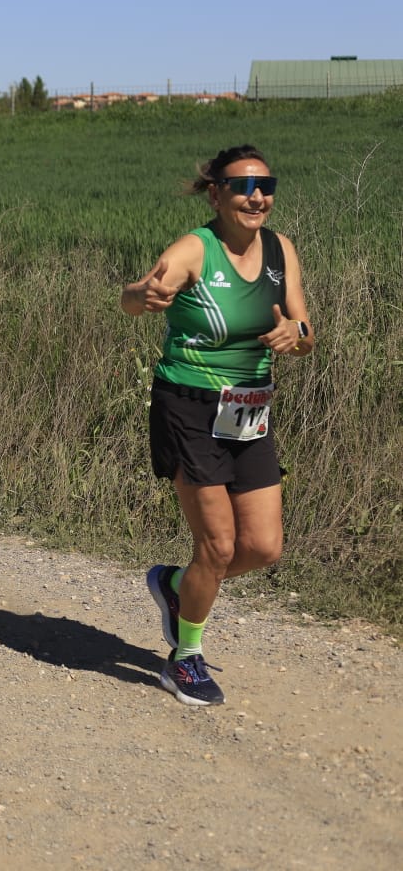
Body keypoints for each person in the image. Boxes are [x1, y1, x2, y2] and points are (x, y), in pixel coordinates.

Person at [120, 144, 313, 707]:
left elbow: (305, 330)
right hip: (189, 404)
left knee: (263, 546)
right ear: (216, 194)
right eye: (242, 187)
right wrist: (143, 296)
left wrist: (294, 336)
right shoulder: (194, 249)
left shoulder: (281, 251)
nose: (257, 196)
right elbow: (135, 297)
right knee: (220, 545)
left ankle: (177, 588)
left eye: (265, 185)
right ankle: (183, 660)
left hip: (251, 407)